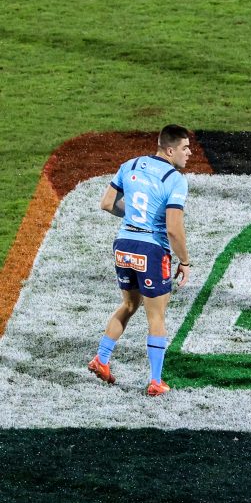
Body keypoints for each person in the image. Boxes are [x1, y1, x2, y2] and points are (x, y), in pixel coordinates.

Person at [88, 125, 192, 396]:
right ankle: (156, 381)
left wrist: (135, 217)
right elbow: (173, 228)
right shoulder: (175, 179)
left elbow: (107, 203)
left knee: (129, 304)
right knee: (156, 316)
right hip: (151, 249)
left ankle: (101, 358)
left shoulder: (130, 165)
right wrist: (185, 261)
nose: (189, 153)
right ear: (169, 150)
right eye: (185, 148)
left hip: (123, 244)